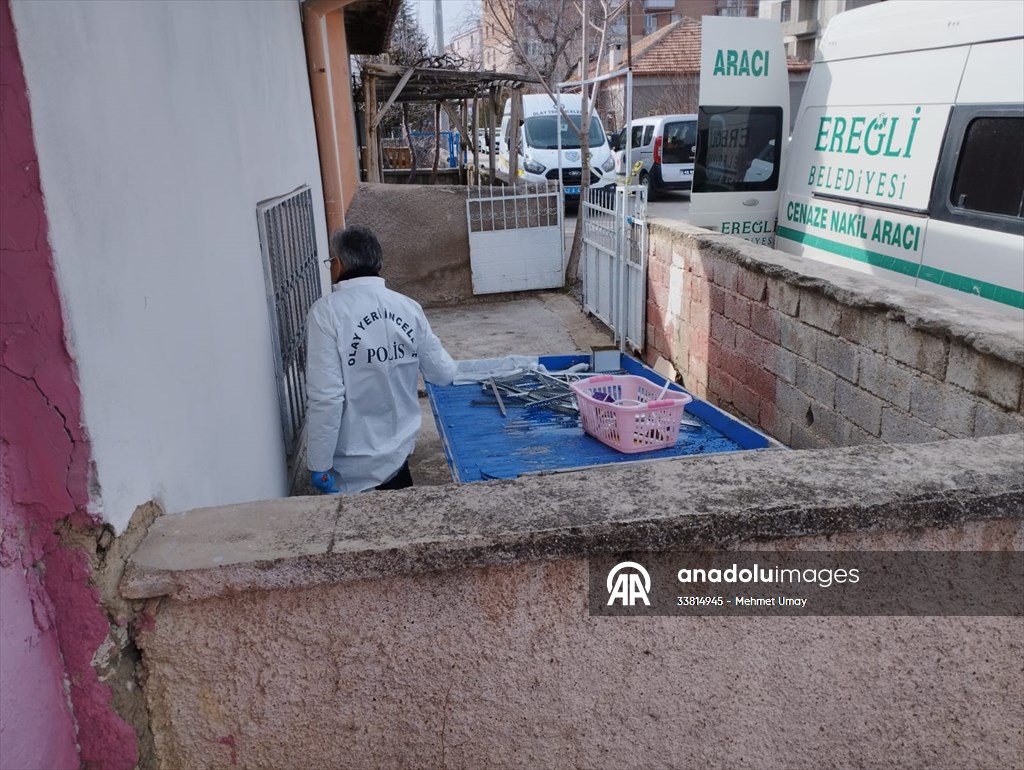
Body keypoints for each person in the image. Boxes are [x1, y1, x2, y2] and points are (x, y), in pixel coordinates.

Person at [305, 225, 457, 494]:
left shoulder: (326, 313)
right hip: (398, 459)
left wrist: (318, 463)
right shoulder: (408, 308)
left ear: (338, 264)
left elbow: (327, 397)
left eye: (330, 262)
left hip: (349, 469)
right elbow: (443, 373)